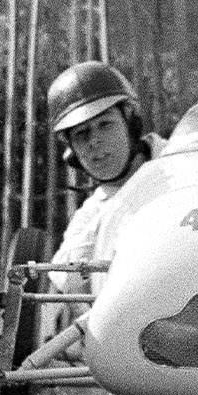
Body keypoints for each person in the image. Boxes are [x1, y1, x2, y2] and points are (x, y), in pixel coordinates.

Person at [45, 61, 157, 291]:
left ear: (131, 123)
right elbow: (65, 281)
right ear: (71, 154)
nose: (94, 141)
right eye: (81, 133)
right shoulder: (90, 217)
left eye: (105, 124)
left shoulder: (183, 159)